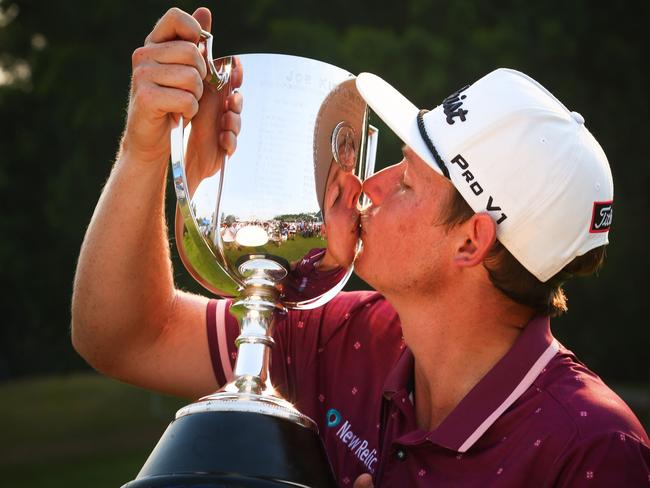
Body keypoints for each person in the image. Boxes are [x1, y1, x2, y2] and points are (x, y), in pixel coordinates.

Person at [71, 6, 649, 487]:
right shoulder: (348, 335)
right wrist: (145, 147)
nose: (368, 188)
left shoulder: (593, 449)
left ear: (471, 241)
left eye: (405, 181)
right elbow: (124, 334)